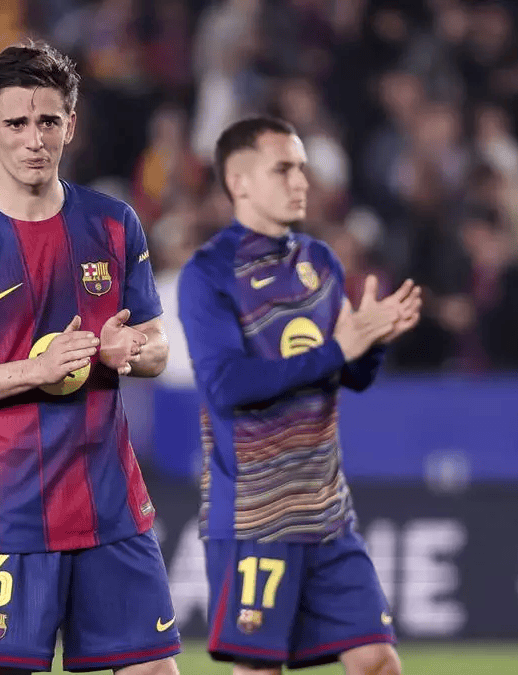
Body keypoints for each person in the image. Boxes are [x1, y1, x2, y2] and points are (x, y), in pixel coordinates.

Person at [0, 41, 181, 675]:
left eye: (48, 121)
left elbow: (158, 346)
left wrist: (130, 350)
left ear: (71, 125)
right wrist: (37, 369)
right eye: (16, 123)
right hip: (15, 517)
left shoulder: (114, 224)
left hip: (112, 510)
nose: (34, 140)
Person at [177, 116, 422, 675]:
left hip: (328, 513)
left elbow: (351, 375)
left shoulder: (320, 261)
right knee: (259, 670)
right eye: (283, 168)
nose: (301, 181)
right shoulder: (209, 273)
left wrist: (373, 341)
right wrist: (339, 349)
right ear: (239, 182)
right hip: (255, 516)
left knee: (378, 662)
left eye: (302, 168)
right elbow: (227, 386)